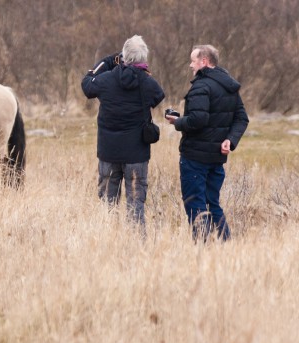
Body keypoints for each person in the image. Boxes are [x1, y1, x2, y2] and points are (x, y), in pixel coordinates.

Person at [165, 44, 249, 241]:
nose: (190, 65)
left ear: (204, 62)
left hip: (195, 157)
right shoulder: (229, 85)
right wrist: (230, 139)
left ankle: (202, 250)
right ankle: (225, 246)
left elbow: (197, 120)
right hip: (216, 158)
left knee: (195, 204)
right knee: (213, 203)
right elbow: (242, 118)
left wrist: (177, 122)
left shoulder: (201, 86)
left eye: (193, 61)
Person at [81, 35, 165, 229]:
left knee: (107, 204)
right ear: (144, 59)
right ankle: (136, 245)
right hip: (137, 154)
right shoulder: (149, 84)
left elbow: (87, 84)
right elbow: (159, 96)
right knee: (136, 206)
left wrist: (108, 61)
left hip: (108, 152)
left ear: (124, 56)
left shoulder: (106, 79)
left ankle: (108, 241)